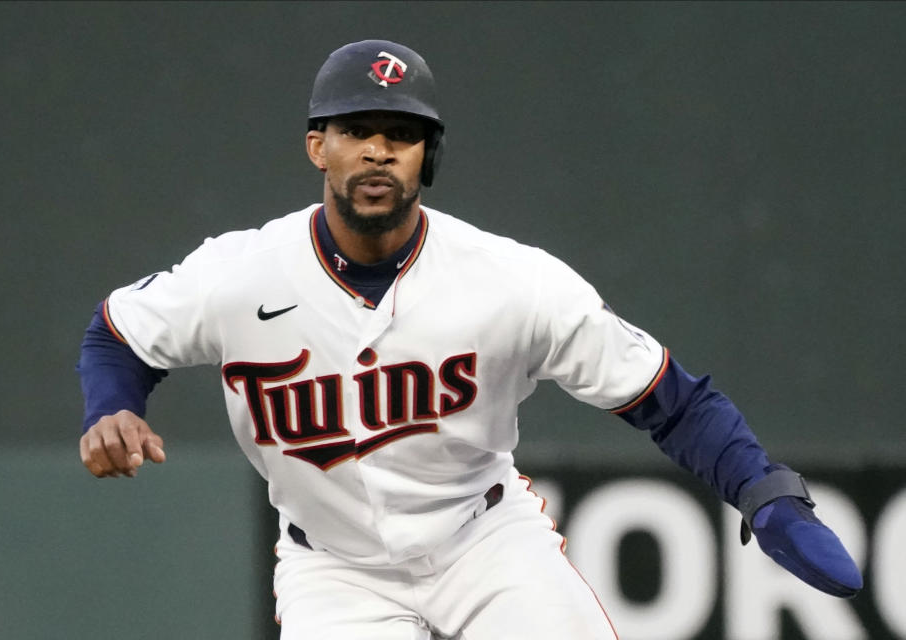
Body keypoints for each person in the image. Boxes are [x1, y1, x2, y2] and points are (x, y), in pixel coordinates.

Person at [77, 40, 862, 639]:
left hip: (482, 542)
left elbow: (670, 401)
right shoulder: (240, 274)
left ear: (430, 155)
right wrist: (109, 408)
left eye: (402, 133)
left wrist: (763, 493)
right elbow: (117, 335)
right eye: (356, 129)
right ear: (317, 146)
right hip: (333, 569)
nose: (379, 149)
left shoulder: (507, 280)